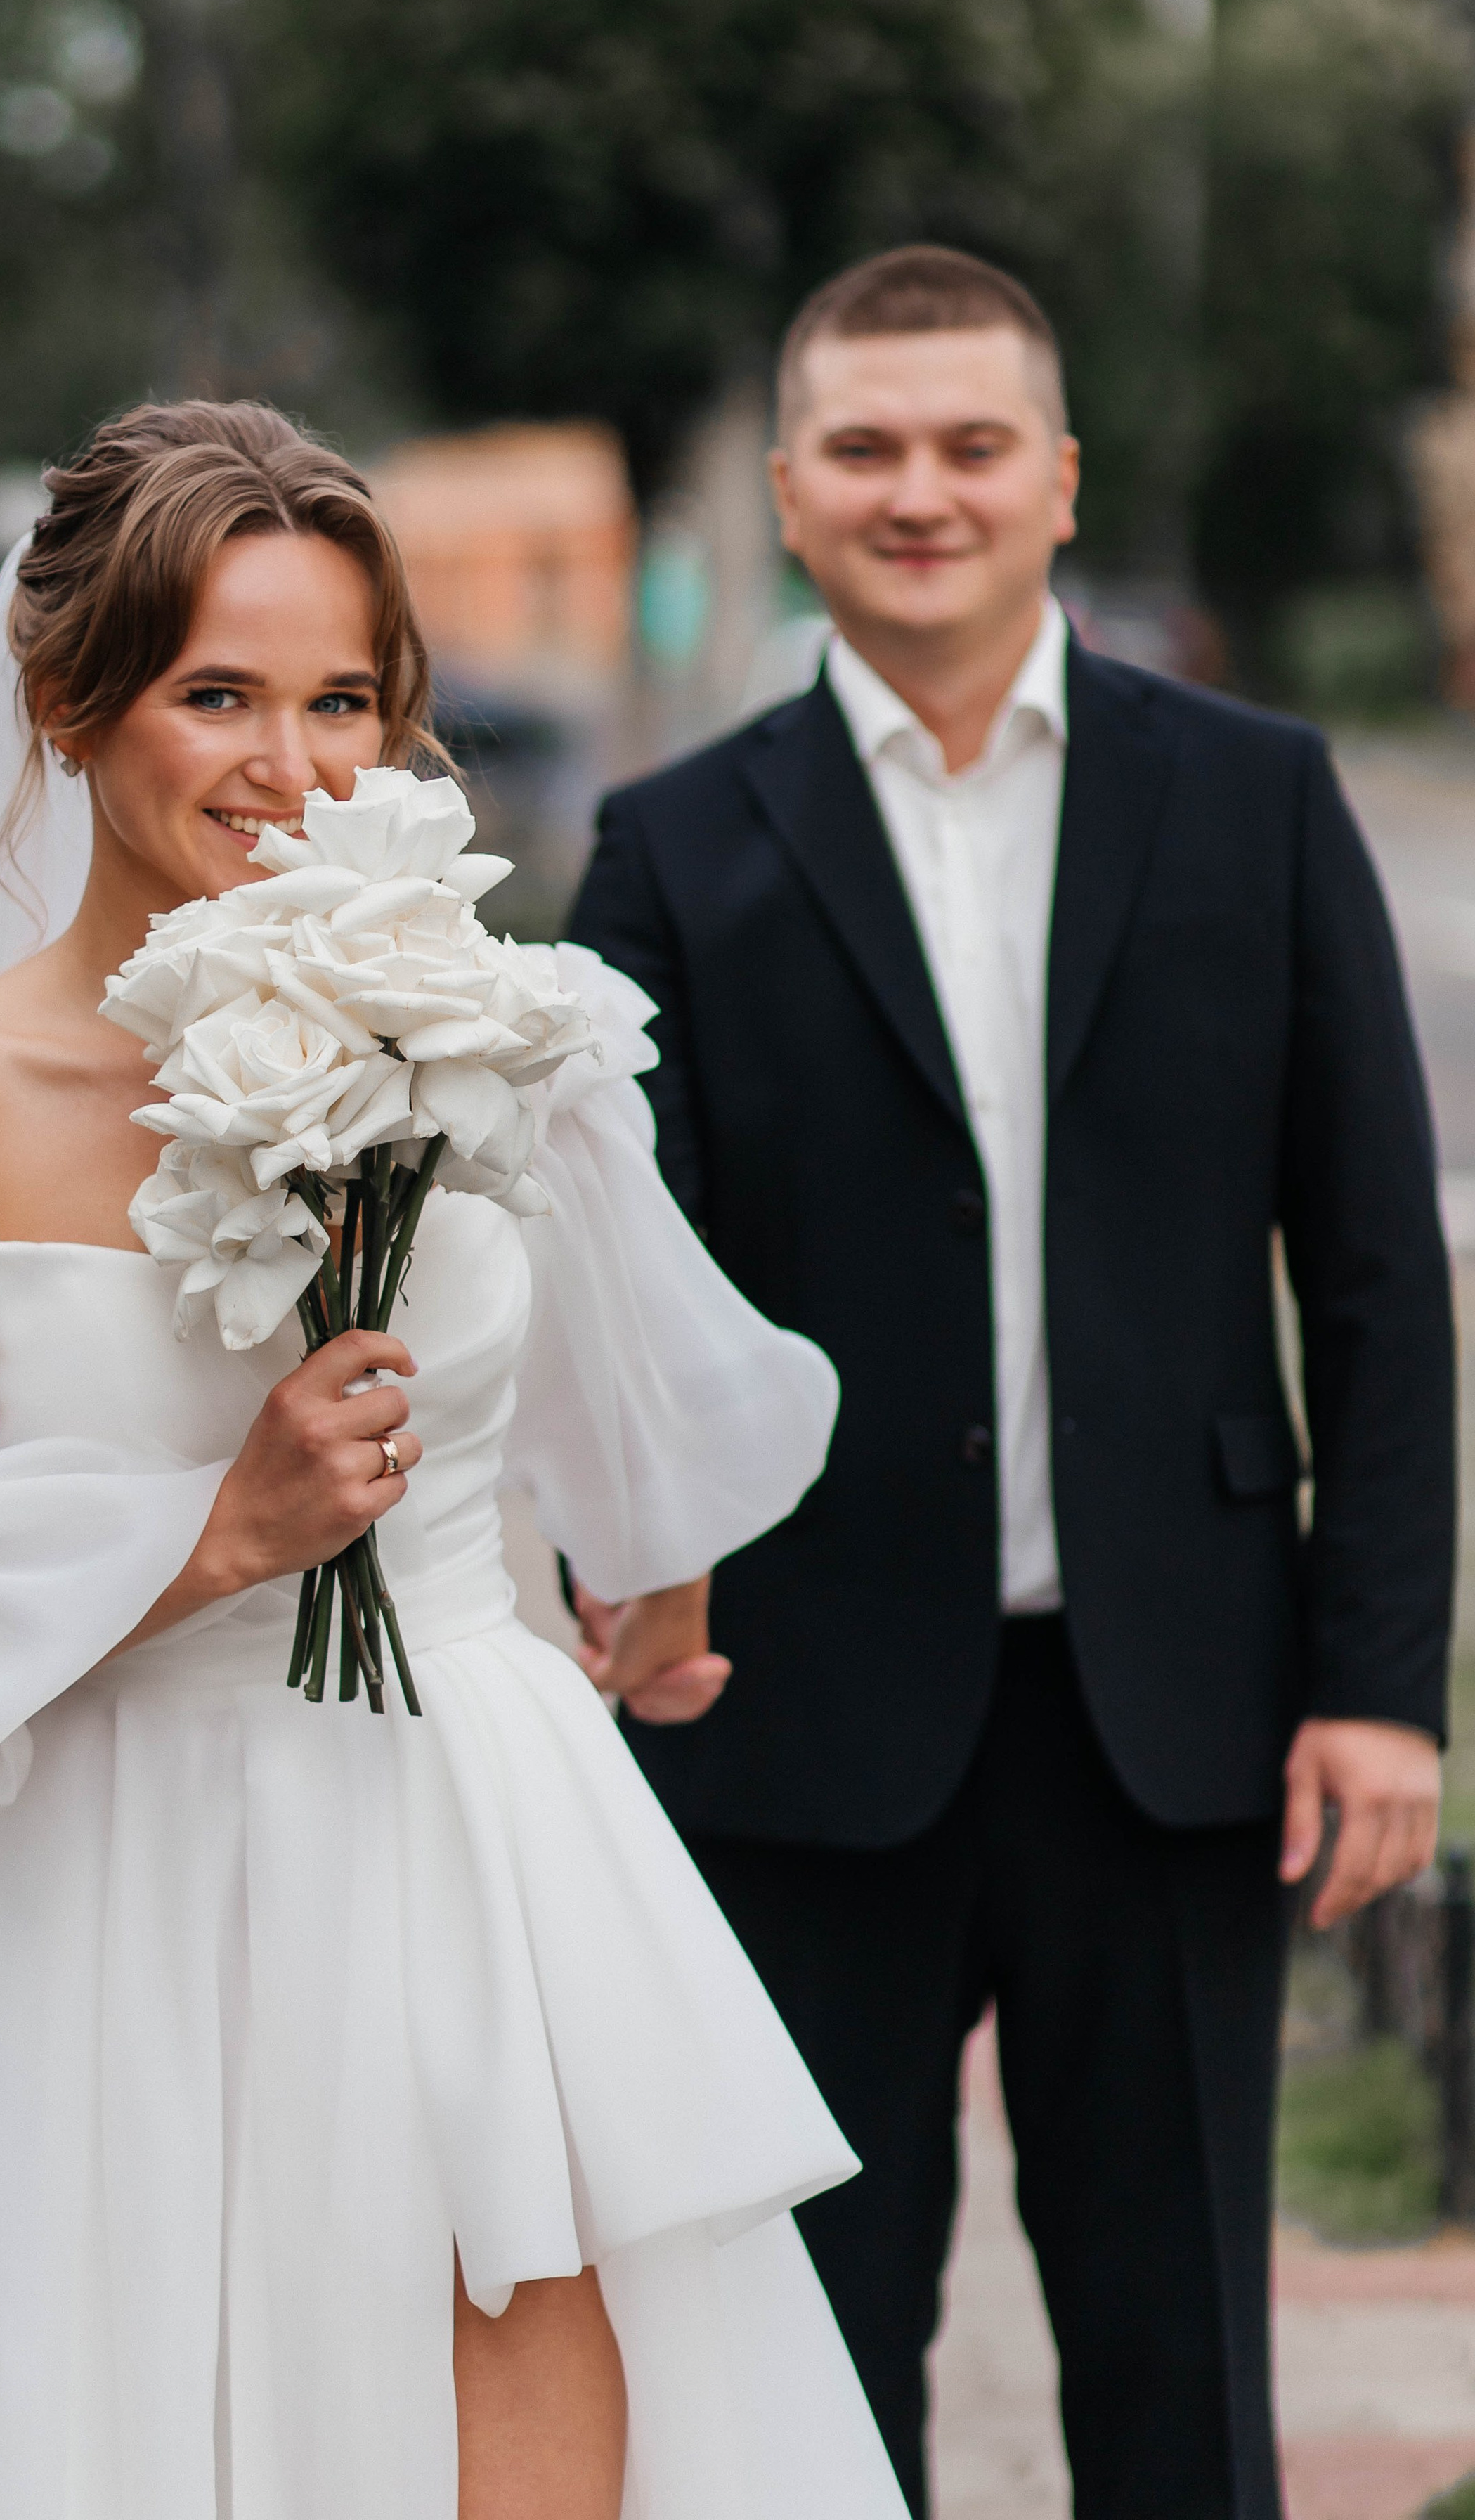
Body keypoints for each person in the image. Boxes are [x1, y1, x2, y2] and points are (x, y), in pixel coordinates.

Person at [0, 400, 908, 2520]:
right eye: (217, 696)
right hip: (102, 1901)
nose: (292, 763)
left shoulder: (498, 1035)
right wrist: (211, 1538)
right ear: (71, 709)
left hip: (469, 1837)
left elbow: (650, 1397)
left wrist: (654, 1589)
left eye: (344, 699)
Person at [568, 245, 1457, 2519]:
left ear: (1058, 479)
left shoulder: (1260, 797)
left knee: (1183, 2374)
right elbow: (605, 1283)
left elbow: (1373, 1267)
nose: (921, 492)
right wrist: (622, 1576)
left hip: (1173, 1716)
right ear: (791, 492)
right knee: (803, 2374)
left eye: (972, 446)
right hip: (796, 1716)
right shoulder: (675, 844)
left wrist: (1381, 1686)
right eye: (866, 448)